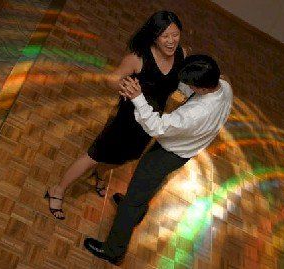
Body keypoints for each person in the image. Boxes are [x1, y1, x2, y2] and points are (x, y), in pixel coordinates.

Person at [83, 54, 233, 264]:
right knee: (146, 186)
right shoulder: (224, 86)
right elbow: (191, 92)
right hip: (183, 150)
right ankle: (135, 212)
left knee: (135, 196)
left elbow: (157, 127)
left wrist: (137, 97)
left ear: (202, 88)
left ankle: (113, 250)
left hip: (168, 154)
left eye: (191, 84)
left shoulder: (195, 113)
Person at [44, 11, 186, 220]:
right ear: (154, 36)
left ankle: (99, 174)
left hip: (150, 122)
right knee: (94, 155)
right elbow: (111, 79)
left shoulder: (181, 54)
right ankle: (57, 190)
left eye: (175, 34)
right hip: (126, 121)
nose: (171, 41)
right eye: (165, 36)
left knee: (126, 157)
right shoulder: (138, 58)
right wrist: (126, 88)